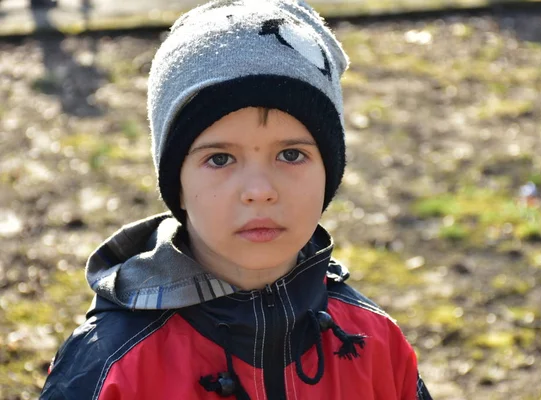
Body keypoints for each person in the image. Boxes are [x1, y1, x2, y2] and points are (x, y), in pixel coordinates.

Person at [40, 0, 432, 399]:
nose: (259, 190)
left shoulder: (374, 342)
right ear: (176, 182)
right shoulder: (112, 366)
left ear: (330, 172)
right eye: (220, 158)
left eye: (291, 154)